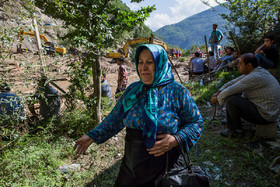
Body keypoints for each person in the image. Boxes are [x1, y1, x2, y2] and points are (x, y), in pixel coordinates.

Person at [74, 44, 204, 186]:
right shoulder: (133, 91)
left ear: (160, 64)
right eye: (140, 62)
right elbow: (116, 118)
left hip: (166, 167)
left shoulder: (177, 91)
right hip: (132, 167)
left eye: (149, 62)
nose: (143, 67)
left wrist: (175, 139)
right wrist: (92, 136)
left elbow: (196, 122)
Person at [211, 53, 280, 137]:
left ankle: (235, 130)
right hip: (267, 111)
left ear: (249, 65)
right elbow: (233, 82)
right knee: (234, 94)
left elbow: (231, 89)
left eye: (240, 63)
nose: (238, 66)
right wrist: (218, 92)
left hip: (265, 115)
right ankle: (233, 120)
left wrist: (217, 99)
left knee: (231, 100)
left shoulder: (255, 76)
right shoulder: (256, 71)